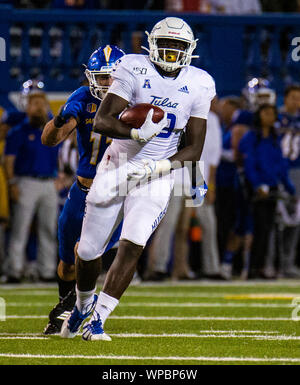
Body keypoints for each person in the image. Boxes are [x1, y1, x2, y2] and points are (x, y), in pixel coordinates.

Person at [60, 16, 215, 341]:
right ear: (152, 45)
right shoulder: (133, 67)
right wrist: (134, 131)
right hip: (117, 165)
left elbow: (194, 145)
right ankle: (83, 306)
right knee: (88, 252)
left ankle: (99, 319)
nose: (172, 52)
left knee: (133, 243)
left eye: (178, 46)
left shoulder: (200, 82)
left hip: (158, 173)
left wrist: (180, 173)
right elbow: (102, 120)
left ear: (190, 50)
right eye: (167, 45)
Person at [41, 45, 125, 335]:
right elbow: (50, 139)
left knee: (84, 251)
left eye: (112, 78)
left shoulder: (136, 99)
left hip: (116, 191)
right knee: (66, 264)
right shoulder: (83, 97)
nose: (107, 84)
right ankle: (67, 302)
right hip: (82, 189)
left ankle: (76, 309)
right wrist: (61, 120)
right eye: (102, 78)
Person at [3, 92, 58, 283]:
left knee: (49, 230)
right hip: (25, 182)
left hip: (49, 183)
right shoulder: (18, 131)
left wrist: (59, 177)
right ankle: (14, 270)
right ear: (27, 107)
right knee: (20, 228)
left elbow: (58, 156)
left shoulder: (52, 130)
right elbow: (9, 160)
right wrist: (12, 184)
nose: (39, 107)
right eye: (35, 104)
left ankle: (47, 271)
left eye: (42, 103)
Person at [239, 103, 295, 278]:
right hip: (255, 189)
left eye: (272, 113)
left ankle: (263, 266)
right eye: (266, 113)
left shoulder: (274, 139)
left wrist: (290, 188)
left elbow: (280, 166)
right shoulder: (251, 137)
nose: (270, 116)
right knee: (256, 228)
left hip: (271, 189)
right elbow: (249, 164)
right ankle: (250, 268)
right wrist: (257, 185)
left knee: (269, 229)